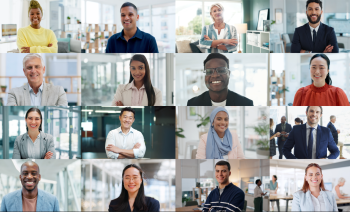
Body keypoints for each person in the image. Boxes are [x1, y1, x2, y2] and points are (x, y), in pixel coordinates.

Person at [187, 53, 253, 106]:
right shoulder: (193, 103)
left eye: (221, 70)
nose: (215, 75)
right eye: (209, 71)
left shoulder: (246, 103)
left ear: (229, 74)